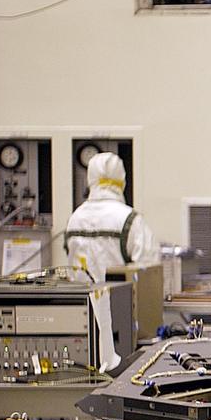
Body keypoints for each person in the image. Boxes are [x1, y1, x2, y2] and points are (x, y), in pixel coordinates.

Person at [65, 152, 159, 369]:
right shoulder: (129, 219)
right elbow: (149, 276)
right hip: (120, 326)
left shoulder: (74, 218)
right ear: (122, 179)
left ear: (90, 179)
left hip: (80, 322)